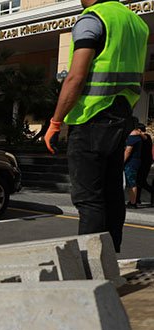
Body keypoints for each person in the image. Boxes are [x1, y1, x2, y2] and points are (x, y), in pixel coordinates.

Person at [44, 0, 148, 252]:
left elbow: (76, 77)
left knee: (89, 200)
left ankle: (90, 270)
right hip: (121, 118)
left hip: (91, 120)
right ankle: (109, 261)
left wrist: (55, 122)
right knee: (112, 195)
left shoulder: (92, 19)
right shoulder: (136, 22)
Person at [124, 126, 143, 208]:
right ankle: (133, 201)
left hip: (130, 163)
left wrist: (122, 161)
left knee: (131, 182)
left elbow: (128, 151)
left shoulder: (133, 137)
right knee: (131, 182)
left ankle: (132, 203)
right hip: (135, 162)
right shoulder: (139, 137)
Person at [136, 123, 153, 205]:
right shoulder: (141, 138)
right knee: (139, 181)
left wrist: (139, 133)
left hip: (145, 163)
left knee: (142, 182)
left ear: (139, 130)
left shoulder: (147, 137)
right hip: (142, 162)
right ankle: (137, 199)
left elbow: (146, 138)